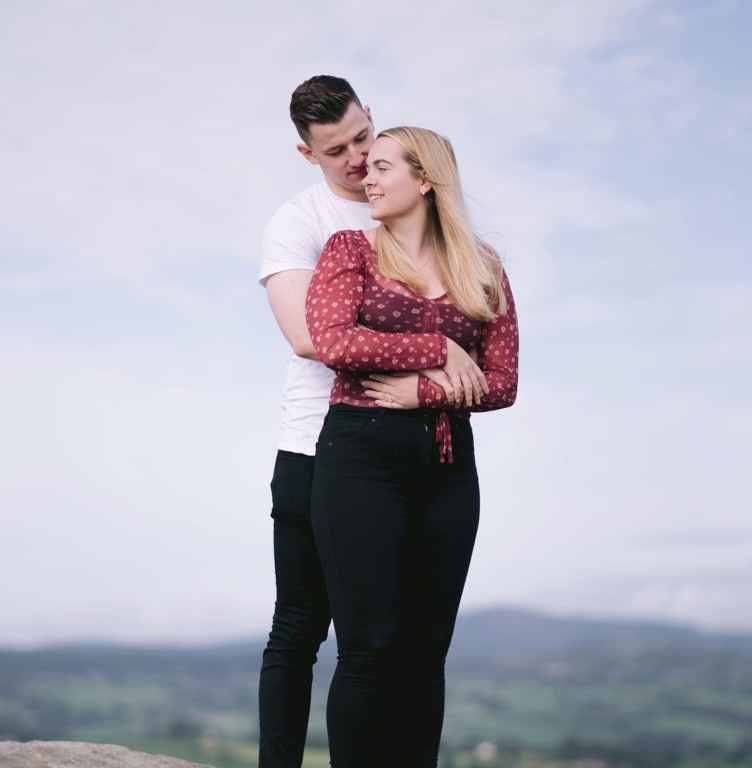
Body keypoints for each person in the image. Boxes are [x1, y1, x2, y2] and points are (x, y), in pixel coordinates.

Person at [306, 126, 519, 768]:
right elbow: (334, 342)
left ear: (425, 180)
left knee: (427, 652)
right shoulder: (350, 249)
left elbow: (503, 383)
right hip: (360, 459)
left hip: (450, 467)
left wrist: (422, 394)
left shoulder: (483, 265)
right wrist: (439, 352)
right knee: (369, 644)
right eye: (364, 169)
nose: (364, 178)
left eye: (381, 168)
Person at [257, 75, 377, 768]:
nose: (357, 157)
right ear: (308, 154)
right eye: (337, 150)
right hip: (310, 445)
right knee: (300, 626)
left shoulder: (409, 206)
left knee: (376, 639)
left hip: (397, 450)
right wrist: (427, 356)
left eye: (363, 137)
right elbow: (308, 337)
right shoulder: (298, 222)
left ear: (373, 117)